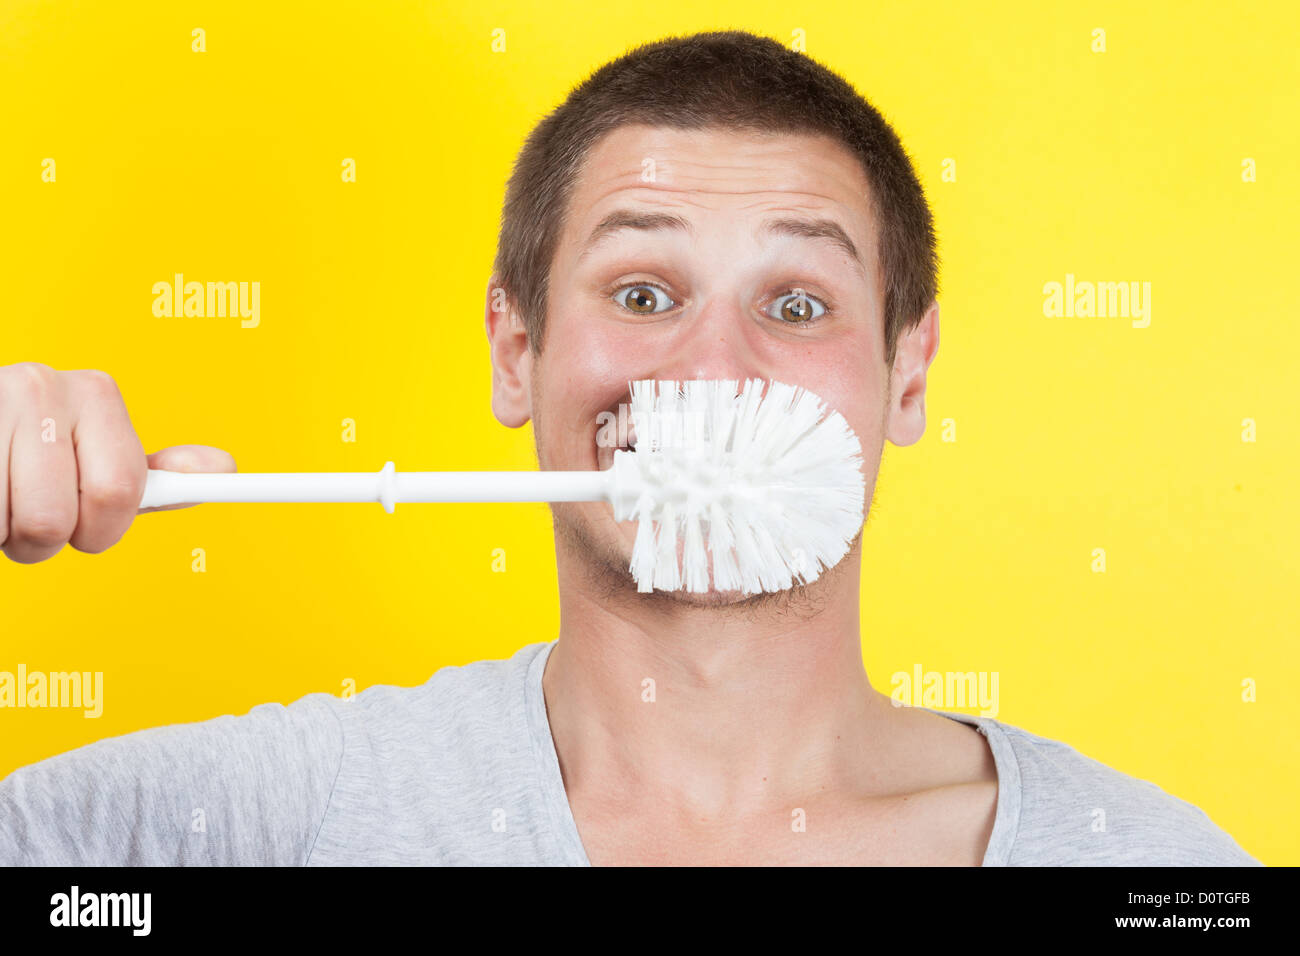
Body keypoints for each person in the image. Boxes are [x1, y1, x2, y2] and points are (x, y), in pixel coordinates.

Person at [0, 30, 1259, 866]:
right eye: (645, 292)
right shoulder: (250, 826)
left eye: (797, 302)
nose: (710, 367)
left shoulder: (1148, 869)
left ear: (907, 373)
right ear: (514, 350)